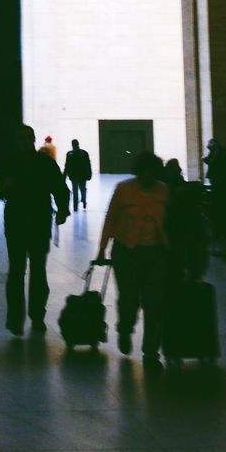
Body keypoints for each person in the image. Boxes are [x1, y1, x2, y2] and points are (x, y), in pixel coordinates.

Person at [0, 124, 70, 336]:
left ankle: (36, 316)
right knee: (17, 271)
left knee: (37, 271)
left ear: (33, 140)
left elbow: (60, 188)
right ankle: (16, 319)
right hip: (18, 223)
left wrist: (63, 209)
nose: (24, 142)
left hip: (38, 223)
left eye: (27, 138)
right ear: (17, 141)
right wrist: (3, 188)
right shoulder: (11, 163)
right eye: (21, 138)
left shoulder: (43, 163)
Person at [96, 150, 169, 370]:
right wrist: (102, 248)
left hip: (156, 253)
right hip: (126, 252)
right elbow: (111, 218)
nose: (147, 177)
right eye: (144, 173)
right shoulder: (124, 189)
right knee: (129, 299)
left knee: (154, 302)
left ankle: (151, 353)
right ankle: (125, 328)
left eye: (152, 174)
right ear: (138, 172)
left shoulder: (164, 190)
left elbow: (172, 223)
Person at [63, 138, 93, 208]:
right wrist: (89, 174)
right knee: (83, 189)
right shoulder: (84, 153)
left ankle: (75, 205)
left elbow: (67, 166)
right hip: (82, 175)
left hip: (73, 175)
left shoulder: (70, 154)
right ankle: (84, 201)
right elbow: (88, 164)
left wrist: (64, 176)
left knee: (75, 190)